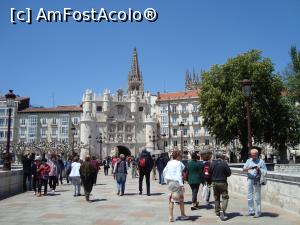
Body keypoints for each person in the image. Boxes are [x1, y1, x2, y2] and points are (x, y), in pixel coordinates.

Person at [163, 150, 188, 222]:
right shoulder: (179, 163)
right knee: (181, 199)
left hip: (170, 182)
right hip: (176, 182)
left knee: (171, 200)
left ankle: (170, 216)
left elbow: (164, 171)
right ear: (177, 156)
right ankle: (183, 215)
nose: (181, 157)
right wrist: (181, 185)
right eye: (180, 156)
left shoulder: (169, 162)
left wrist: (166, 180)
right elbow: (179, 174)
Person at [243, 148, 267, 218]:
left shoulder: (261, 161)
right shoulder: (248, 160)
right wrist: (249, 168)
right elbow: (243, 169)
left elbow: (265, 171)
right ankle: (251, 211)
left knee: (257, 197)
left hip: (257, 180)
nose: (253, 157)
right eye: (252, 155)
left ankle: (258, 212)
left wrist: (259, 169)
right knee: (249, 196)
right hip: (250, 179)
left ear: (257, 154)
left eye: (254, 155)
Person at [210, 152, 231, 221]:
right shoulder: (224, 163)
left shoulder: (212, 163)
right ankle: (223, 210)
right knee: (225, 197)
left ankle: (217, 212)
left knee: (216, 198)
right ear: (222, 157)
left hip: (214, 182)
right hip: (222, 182)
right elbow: (229, 173)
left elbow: (210, 172)